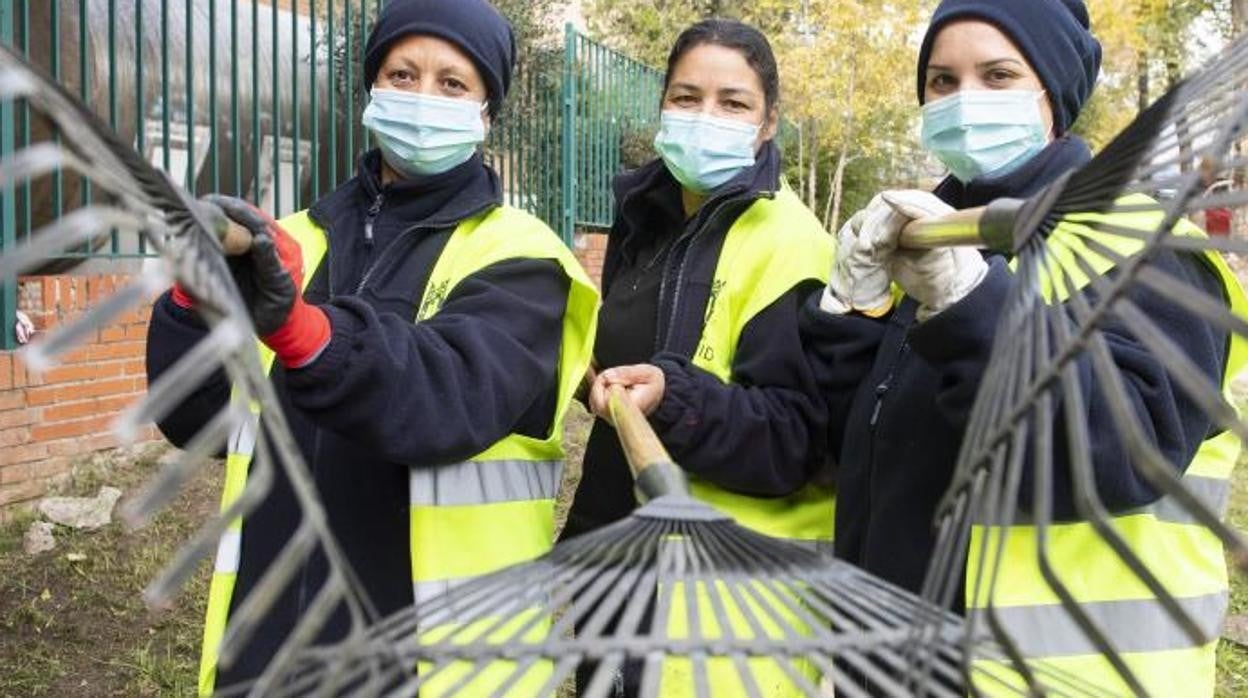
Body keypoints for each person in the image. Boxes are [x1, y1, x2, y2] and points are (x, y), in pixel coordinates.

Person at [144, 0, 598, 693]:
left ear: (486, 114)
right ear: (372, 88)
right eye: (402, 74)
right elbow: (199, 417)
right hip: (272, 644)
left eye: (452, 83)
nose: (422, 97)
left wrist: (305, 334)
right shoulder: (295, 239)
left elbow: (446, 400)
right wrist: (192, 299)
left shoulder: (524, 260)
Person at [801, 0, 1244, 694]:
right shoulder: (935, 236)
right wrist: (851, 312)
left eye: (999, 75)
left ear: (1054, 94)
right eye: (942, 81)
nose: (964, 100)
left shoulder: (1146, 245)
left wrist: (972, 307)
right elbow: (867, 443)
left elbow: (1121, 457)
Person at [560, 18, 835, 696]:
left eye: (732, 102)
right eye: (686, 97)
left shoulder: (793, 244)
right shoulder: (644, 219)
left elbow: (794, 439)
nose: (705, 116)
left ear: (768, 123)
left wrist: (671, 397)